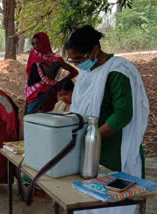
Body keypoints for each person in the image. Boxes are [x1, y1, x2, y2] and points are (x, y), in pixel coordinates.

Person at [65, 25, 149, 214]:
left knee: (109, 202)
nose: (78, 64)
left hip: (114, 147)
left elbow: (123, 114)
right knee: (86, 199)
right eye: (73, 60)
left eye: (80, 58)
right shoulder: (88, 71)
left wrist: (92, 138)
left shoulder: (118, 70)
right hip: (89, 144)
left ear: (95, 49)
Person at [25, 32, 78, 114]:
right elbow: (29, 76)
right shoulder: (33, 55)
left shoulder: (56, 60)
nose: (36, 46)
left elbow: (74, 72)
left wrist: (59, 84)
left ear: (45, 42)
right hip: (33, 94)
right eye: (34, 44)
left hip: (48, 94)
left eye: (38, 43)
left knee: (48, 118)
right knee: (31, 118)